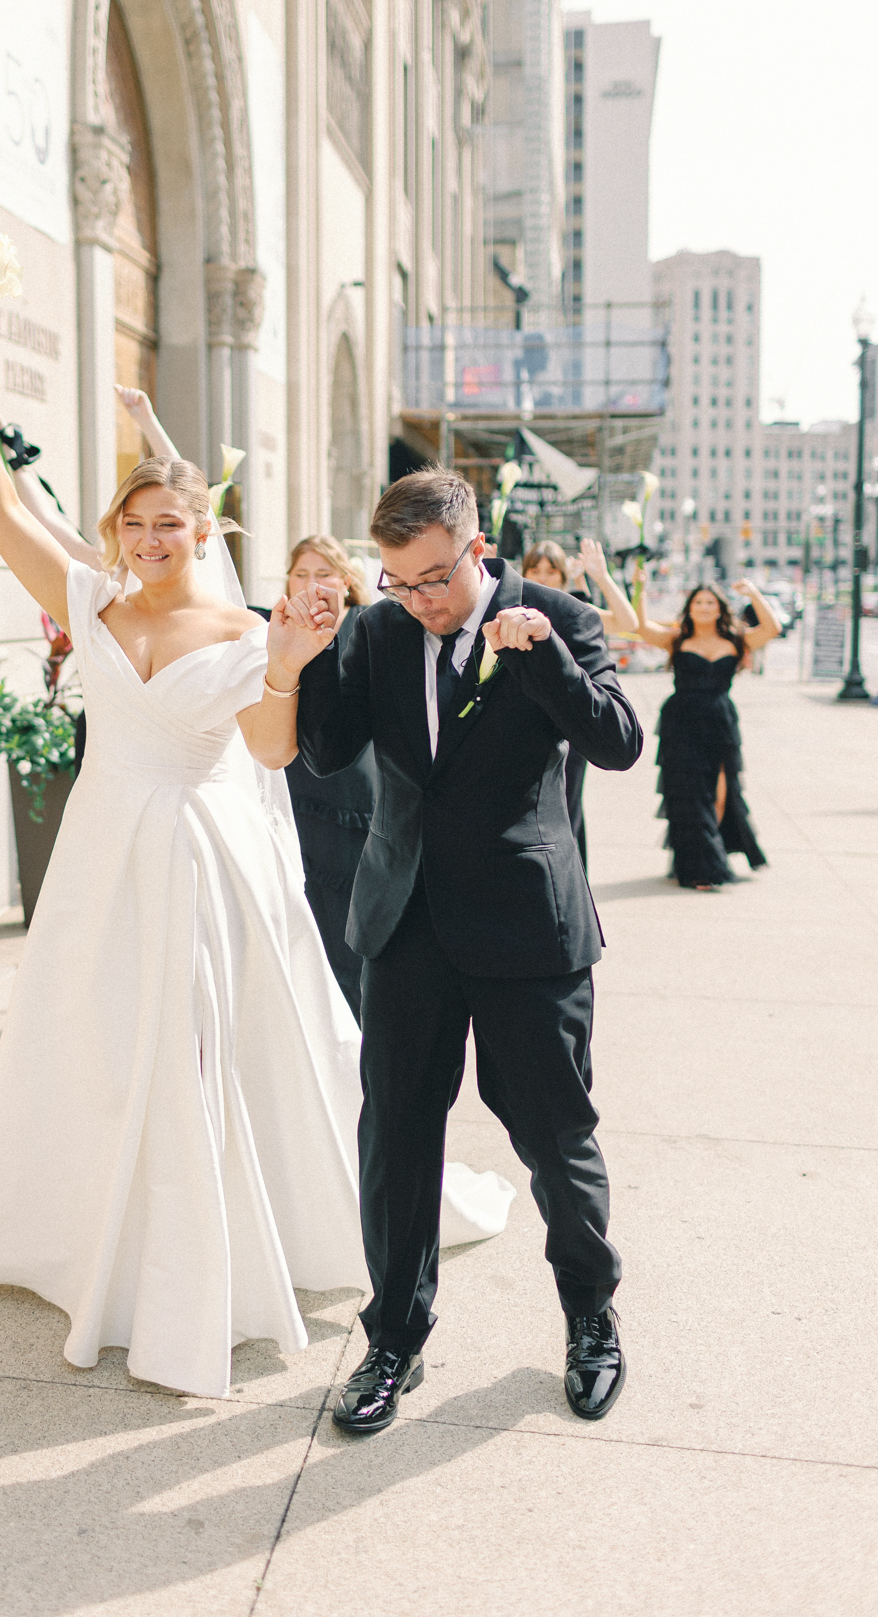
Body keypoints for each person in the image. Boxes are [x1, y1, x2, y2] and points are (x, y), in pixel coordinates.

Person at [0, 331, 511, 1399]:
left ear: (204, 530)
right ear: (117, 531)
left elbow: (275, 752)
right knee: (95, 1039)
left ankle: (193, 1274)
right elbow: (0, 505)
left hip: (197, 853)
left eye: (172, 524)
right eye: (136, 524)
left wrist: (282, 668)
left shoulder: (245, 626)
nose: (152, 539)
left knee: (186, 1051)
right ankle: (88, 1238)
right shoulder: (91, 598)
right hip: (101, 854)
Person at [291, 468, 644, 1433]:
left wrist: (543, 664)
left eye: (435, 580)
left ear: (475, 548)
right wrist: (315, 648)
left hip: (529, 927)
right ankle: (393, 1339)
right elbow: (324, 750)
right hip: (405, 924)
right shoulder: (379, 629)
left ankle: (590, 1315)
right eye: (400, 583)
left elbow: (617, 743)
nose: (421, 601)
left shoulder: (559, 618)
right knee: (397, 1137)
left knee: (553, 1133)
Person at [262, 537, 375, 1021]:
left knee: (349, 941)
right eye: (301, 574)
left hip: (351, 800)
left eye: (324, 574)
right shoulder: (278, 628)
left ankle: (357, 1046)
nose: (312, 584)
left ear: (346, 581)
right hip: (293, 795)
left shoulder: (367, 629)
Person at [636, 579, 781, 890]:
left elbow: (772, 629)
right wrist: (641, 590)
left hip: (720, 725)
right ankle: (701, 869)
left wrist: (754, 595)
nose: (704, 607)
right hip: (681, 724)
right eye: (698, 602)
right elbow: (643, 629)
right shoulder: (677, 639)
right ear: (690, 608)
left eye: (710, 602)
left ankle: (703, 856)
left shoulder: (736, 641)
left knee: (720, 796)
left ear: (720, 609)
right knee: (688, 795)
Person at [521, 538, 639, 866]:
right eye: (535, 569)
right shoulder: (509, 607)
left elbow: (628, 624)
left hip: (567, 727)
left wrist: (601, 577)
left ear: (563, 576)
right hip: (521, 726)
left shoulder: (571, 613)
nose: (543, 578)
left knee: (565, 805)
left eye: (551, 571)